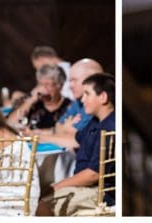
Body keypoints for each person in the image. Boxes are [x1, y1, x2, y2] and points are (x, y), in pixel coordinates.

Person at [50, 73, 115, 215]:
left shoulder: (110, 127)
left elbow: (93, 174)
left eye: (87, 94)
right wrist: (41, 138)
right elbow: (75, 140)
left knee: (45, 202)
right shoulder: (95, 121)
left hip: (98, 192)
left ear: (103, 97)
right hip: (84, 185)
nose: (82, 99)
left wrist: (57, 186)